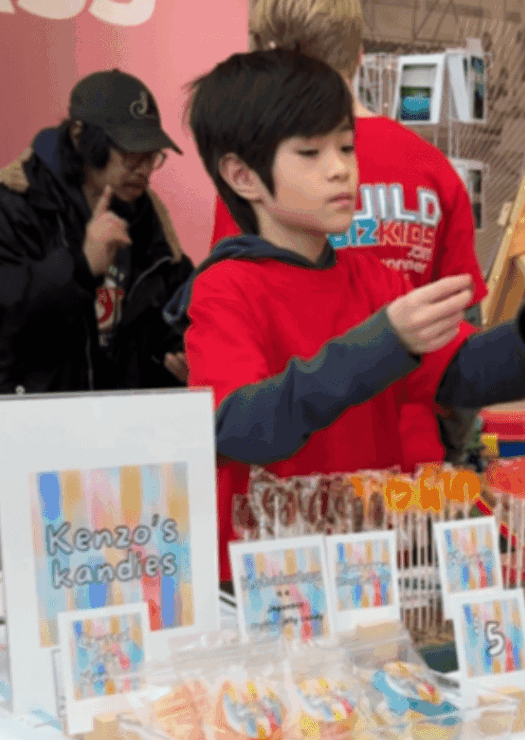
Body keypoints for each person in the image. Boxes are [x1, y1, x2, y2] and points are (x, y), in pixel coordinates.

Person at [166, 48, 525, 582]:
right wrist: (382, 343)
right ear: (243, 176)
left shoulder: (374, 280)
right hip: (272, 577)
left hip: (371, 565)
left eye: (346, 146)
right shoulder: (225, 288)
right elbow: (236, 427)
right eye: (310, 152)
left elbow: (457, 369)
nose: (340, 169)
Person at [210, 0, 489, 468]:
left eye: (345, 150)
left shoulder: (257, 179)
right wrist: (457, 450)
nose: (339, 170)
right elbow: (463, 324)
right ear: (360, 55)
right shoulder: (432, 169)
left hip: (289, 470)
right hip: (407, 464)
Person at [0, 69, 193, 438]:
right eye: (131, 154)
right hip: (29, 426)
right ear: (81, 137)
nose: (146, 169)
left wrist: (178, 352)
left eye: (152, 156)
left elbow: (175, 306)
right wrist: (80, 267)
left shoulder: (148, 218)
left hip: (120, 430)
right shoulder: (16, 203)